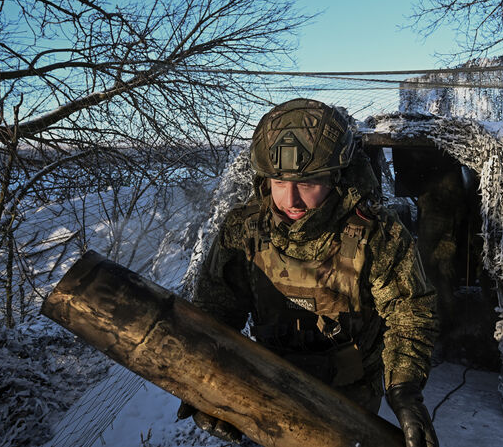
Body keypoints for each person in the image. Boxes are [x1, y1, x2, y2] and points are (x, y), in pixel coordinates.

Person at [177, 98, 440, 447]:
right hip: (267, 392)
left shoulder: (378, 234)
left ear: (337, 176)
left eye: (309, 182)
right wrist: (204, 382)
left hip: (349, 402)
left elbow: (409, 313)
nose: (291, 200)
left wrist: (404, 387)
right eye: (279, 182)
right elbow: (216, 311)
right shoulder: (244, 229)